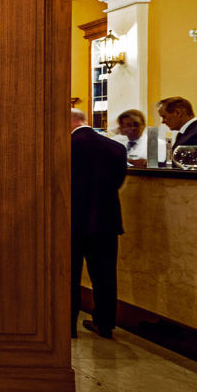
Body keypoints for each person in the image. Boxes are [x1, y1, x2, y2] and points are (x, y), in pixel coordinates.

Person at [71, 108, 127, 339]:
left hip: (72, 220)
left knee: (69, 275)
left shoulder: (66, 145)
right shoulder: (116, 148)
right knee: (104, 276)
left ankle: (67, 324)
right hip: (105, 221)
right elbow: (118, 182)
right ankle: (104, 324)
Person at [156, 96, 197, 170]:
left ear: (178, 113)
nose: (163, 121)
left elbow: (185, 170)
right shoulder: (192, 132)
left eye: (164, 117)